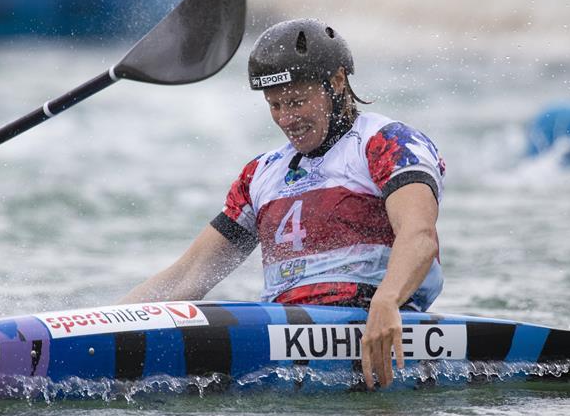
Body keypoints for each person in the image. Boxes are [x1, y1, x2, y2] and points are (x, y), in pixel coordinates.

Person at [120, 19, 445, 389]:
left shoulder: (387, 143)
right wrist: (102, 322)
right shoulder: (261, 173)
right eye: (274, 105)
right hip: (285, 329)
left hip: (378, 317)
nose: (286, 119)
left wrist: (387, 301)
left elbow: (419, 236)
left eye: (296, 102)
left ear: (337, 82)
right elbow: (190, 274)